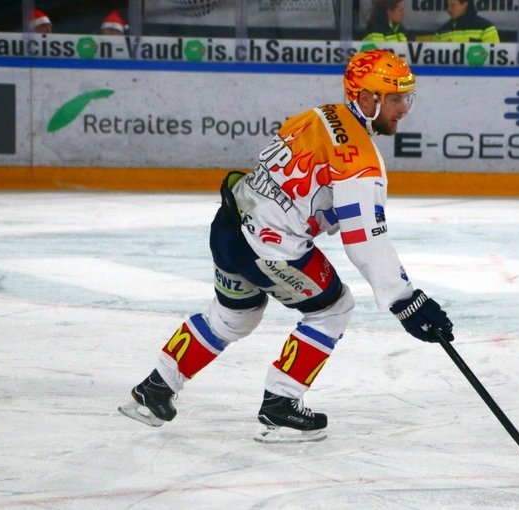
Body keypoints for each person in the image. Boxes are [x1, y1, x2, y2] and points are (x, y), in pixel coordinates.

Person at [118, 49, 455, 444]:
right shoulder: (360, 162)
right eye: (395, 99)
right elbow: (365, 239)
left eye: (406, 97)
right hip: (268, 249)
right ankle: (280, 404)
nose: (404, 109)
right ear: (366, 99)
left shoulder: (318, 115)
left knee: (234, 316)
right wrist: (404, 300)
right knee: (334, 308)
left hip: (228, 227)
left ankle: (156, 388)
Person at [434, 0, 499, 43]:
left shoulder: (486, 27)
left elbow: (493, 54)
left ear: (465, 5)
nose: (449, 9)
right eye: (448, 6)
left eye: (453, 5)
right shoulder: (441, 32)